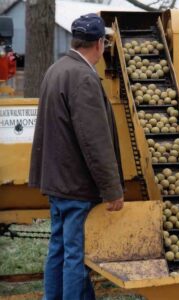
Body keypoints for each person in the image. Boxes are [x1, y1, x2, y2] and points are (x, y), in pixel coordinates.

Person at [29, 13, 124, 300]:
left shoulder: (55, 69)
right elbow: (94, 140)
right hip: (76, 186)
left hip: (57, 182)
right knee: (76, 256)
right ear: (99, 44)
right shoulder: (83, 77)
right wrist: (112, 189)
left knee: (58, 248)